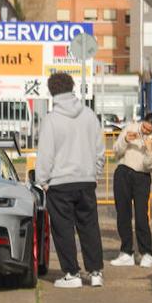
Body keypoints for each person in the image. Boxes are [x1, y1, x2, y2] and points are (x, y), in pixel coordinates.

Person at [36, 72, 105, 288]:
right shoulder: (89, 115)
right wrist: (94, 172)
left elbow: (46, 154)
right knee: (89, 226)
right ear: (72, 87)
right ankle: (95, 272)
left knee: (63, 228)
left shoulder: (51, 119)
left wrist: (42, 180)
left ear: (52, 91)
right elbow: (100, 150)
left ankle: (72, 273)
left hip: (59, 183)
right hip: (86, 180)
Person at [109, 112, 152, 268]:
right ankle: (126, 252)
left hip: (142, 177)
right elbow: (116, 151)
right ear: (142, 122)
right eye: (144, 126)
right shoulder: (130, 128)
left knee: (141, 215)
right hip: (123, 172)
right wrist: (125, 140)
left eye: (149, 129)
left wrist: (149, 150)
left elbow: (151, 166)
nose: (145, 131)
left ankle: (146, 253)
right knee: (123, 214)